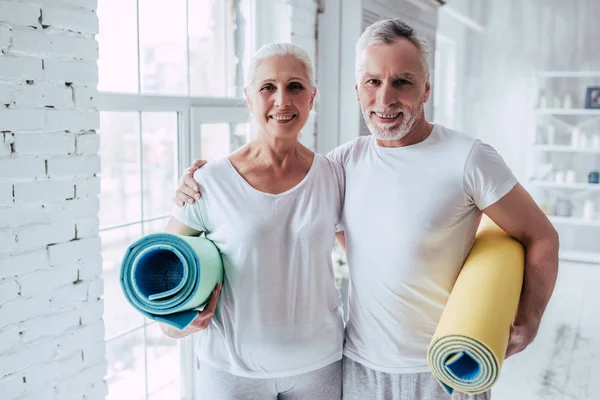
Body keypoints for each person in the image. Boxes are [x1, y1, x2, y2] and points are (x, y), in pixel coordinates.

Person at [175, 19, 559, 400]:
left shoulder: (468, 158)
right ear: (357, 89)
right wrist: (200, 179)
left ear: (426, 88)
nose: (385, 98)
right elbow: (301, 210)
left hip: (444, 368)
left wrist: (529, 319)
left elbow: (541, 235)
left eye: (402, 82)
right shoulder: (342, 164)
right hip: (357, 367)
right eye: (373, 81)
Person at [161, 43, 345, 400]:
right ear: (248, 98)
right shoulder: (209, 182)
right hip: (232, 373)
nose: (282, 101)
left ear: (312, 96)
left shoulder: (334, 175)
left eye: (295, 87)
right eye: (268, 88)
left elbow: (370, 257)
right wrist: (177, 326)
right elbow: (160, 280)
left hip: (320, 366)